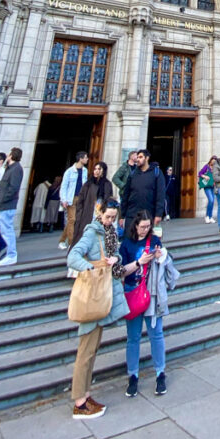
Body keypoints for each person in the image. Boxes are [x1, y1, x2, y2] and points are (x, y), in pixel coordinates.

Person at [67, 199, 128, 419]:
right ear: (99, 213)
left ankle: (85, 395)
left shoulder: (111, 233)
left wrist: (115, 259)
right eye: (108, 216)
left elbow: (118, 257)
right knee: (85, 351)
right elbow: (73, 257)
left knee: (91, 351)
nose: (110, 220)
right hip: (92, 295)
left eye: (113, 217)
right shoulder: (92, 233)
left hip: (104, 295)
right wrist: (91, 268)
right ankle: (80, 403)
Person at [119, 210, 179, 397]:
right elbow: (119, 271)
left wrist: (160, 255)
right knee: (133, 337)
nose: (145, 230)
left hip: (151, 294)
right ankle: (133, 376)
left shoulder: (154, 241)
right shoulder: (126, 245)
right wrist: (139, 262)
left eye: (148, 227)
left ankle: (160, 373)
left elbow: (164, 264)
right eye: (142, 226)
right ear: (135, 226)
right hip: (132, 293)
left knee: (157, 334)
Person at [120, 150, 166, 234]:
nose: (137, 159)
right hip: (132, 214)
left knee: (146, 242)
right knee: (129, 240)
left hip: (148, 214)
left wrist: (158, 214)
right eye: (137, 157)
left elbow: (160, 195)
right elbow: (126, 194)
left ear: (147, 158)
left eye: (140, 157)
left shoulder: (157, 173)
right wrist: (122, 215)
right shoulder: (133, 174)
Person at [73, 162, 113, 246]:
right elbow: (80, 200)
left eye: (99, 169)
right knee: (82, 237)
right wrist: (79, 214)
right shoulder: (88, 184)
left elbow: (108, 200)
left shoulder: (107, 184)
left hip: (100, 214)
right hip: (86, 214)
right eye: (95, 169)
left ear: (103, 171)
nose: (96, 171)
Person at [58, 151, 89, 250]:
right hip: (71, 198)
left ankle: (62, 241)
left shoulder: (85, 171)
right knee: (72, 220)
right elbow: (64, 186)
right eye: (85, 157)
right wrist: (63, 199)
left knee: (72, 221)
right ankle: (72, 242)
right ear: (80, 159)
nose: (87, 159)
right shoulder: (69, 171)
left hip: (81, 198)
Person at [198, 156, 217, 223]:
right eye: (213, 160)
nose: (213, 162)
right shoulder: (206, 166)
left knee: (212, 201)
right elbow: (200, 173)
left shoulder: (215, 168)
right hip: (207, 186)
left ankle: (210, 216)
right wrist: (205, 176)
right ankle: (207, 216)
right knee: (211, 200)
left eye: (215, 161)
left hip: (212, 186)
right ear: (210, 160)